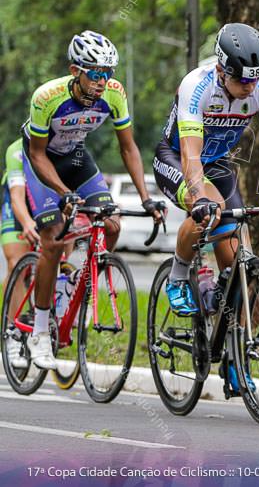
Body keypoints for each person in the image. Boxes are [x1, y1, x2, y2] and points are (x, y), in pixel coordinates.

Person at [153, 23, 259, 319]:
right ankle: (178, 276)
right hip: (177, 158)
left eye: (254, 79)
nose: (250, 88)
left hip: (217, 163)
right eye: (243, 80)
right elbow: (191, 153)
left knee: (238, 263)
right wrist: (198, 196)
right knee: (210, 208)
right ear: (222, 68)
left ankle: (231, 347)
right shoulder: (197, 85)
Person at [21, 30, 164, 370]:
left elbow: (128, 147)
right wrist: (62, 194)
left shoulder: (114, 94)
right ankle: (40, 331)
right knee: (53, 239)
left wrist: (147, 198)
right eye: (96, 73)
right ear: (75, 71)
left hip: (76, 158)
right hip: (41, 162)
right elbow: (38, 155)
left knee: (111, 224)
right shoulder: (48, 96)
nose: (103, 81)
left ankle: (75, 286)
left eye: (108, 73)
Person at [2, 138, 38, 368]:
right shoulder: (16, 150)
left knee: (58, 254)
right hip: (19, 199)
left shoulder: (68, 143)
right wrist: (26, 223)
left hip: (46, 199)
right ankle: (12, 331)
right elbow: (17, 197)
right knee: (17, 264)